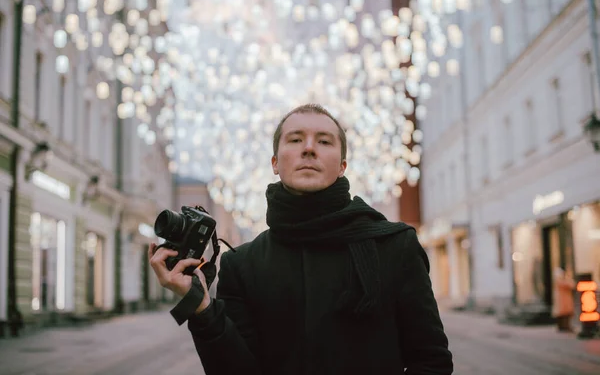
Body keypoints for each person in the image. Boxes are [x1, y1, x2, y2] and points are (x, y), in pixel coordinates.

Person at [149, 103, 453, 374]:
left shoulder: (395, 246)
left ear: (342, 166)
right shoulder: (242, 265)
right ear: (275, 164)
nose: (309, 148)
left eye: (324, 141)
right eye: (295, 140)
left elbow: (431, 360)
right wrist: (201, 307)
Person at [552, 267, 575, 332]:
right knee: (563, 313)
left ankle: (564, 326)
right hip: (562, 299)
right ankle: (563, 326)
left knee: (565, 313)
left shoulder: (562, 279)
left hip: (564, 299)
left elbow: (572, 285)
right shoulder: (561, 280)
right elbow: (571, 284)